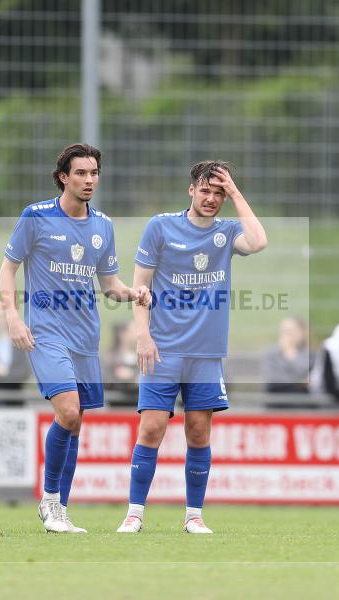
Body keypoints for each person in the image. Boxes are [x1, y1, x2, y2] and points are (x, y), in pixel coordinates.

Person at [0, 143, 148, 534]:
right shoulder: (36, 216)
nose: (89, 180)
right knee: (67, 412)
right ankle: (49, 501)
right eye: (81, 173)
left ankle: (60, 511)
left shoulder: (103, 226)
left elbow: (109, 284)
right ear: (63, 177)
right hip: (46, 332)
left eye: (94, 173)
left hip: (86, 337)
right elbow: (8, 268)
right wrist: (12, 315)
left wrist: (134, 293)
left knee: (76, 421)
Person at [117, 160, 268, 535]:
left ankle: (193, 516)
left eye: (218, 193)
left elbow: (258, 241)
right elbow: (140, 287)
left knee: (199, 432)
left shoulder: (227, 232)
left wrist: (236, 192)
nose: (211, 198)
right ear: (191, 190)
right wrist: (143, 335)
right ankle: (134, 514)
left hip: (205, 354)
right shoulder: (160, 227)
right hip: (163, 350)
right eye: (205, 190)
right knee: (151, 429)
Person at [261, 317, 312, 393]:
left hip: (302, 397)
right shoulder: (271, 354)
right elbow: (273, 381)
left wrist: (291, 356)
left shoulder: (310, 354)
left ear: (302, 332)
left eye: (291, 331)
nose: (288, 335)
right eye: (284, 331)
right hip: (277, 397)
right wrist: (299, 382)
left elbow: (310, 379)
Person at [105, 320, 139, 394]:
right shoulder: (111, 357)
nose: (137, 333)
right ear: (122, 334)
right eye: (133, 330)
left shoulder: (138, 356)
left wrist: (132, 375)